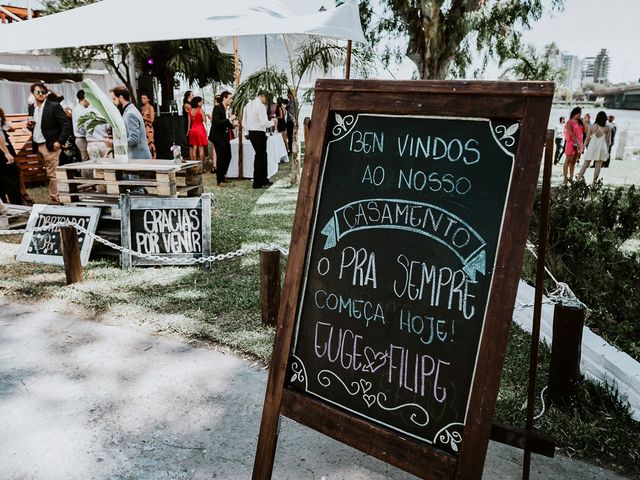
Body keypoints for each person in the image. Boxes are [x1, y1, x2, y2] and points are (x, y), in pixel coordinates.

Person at [27, 82, 72, 204]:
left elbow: (66, 124)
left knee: (53, 174)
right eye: (38, 92)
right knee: (49, 174)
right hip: (38, 145)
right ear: (33, 93)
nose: (41, 94)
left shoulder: (53, 106)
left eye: (43, 92)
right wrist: (29, 126)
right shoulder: (31, 108)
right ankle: (57, 198)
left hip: (51, 145)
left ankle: (56, 200)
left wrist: (59, 141)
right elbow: (34, 127)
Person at [244, 90, 277, 189]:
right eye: (266, 98)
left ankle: (262, 179)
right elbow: (264, 122)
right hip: (259, 133)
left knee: (261, 155)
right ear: (262, 96)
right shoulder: (260, 106)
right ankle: (258, 181)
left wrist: (248, 130)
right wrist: (273, 122)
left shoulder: (248, 105)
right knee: (260, 156)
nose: (266, 101)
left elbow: (244, 122)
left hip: (252, 133)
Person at [110, 85, 151, 160]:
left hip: (139, 158)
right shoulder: (130, 111)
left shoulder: (130, 114)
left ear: (121, 98)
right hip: (137, 157)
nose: (113, 102)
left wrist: (117, 142)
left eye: (114, 99)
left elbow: (134, 139)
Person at [208, 91, 236, 187]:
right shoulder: (217, 108)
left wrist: (232, 125)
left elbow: (225, 122)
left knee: (228, 156)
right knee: (221, 158)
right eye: (230, 98)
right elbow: (216, 122)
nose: (231, 100)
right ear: (224, 98)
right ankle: (220, 180)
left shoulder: (226, 109)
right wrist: (229, 120)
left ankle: (223, 176)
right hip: (218, 137)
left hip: (224, 136)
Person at [576, 111, 611, 185]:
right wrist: (607, 151)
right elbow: (608, 141)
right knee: (598, 166)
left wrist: (583, 147)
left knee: (585, 164)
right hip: (602, 148)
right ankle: (594, 183)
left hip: (592, 147)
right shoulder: (608, 128)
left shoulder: (592, 127)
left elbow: (587, 138)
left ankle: (577, 180)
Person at [562, 107, 583, 183]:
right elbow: (571, 134)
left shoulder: (580, 122)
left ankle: (571, 177)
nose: (580, 114)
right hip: (571, 143)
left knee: (574, 161)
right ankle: (565, 177)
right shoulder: (569, 122)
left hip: (579, 144)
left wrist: (585, 122)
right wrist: (576, 142)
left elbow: (586, 131)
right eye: (579, 113)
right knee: (568, 160)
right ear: (575, 113)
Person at [187, 96, 208, 166]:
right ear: (198, 103)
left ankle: (194, 165)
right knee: (201, 148)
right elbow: (205, 120)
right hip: (200, 129)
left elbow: (189, 123)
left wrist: (188, 131)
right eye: (201, 102)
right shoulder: (200, 110)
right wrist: (206, 116)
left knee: (194, 148)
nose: (202, 103)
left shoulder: (190, 111)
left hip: (193, 129)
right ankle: (201, 166)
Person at [72, 90, 90, 161]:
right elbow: (80, 127)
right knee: (86, 160)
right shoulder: (80, 110)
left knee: (86, 159)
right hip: (82, 138)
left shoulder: (78, 109)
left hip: (81, 138)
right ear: (85, 99)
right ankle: (85, 172)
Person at [140, 93, 156, 159]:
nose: (143, 100)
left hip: (149, 127)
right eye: (142, 98)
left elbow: (152, 119)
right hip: (143, 127)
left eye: (144, 98)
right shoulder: (142, 107)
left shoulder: (150, 107)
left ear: (148, 99)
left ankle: (153, 158)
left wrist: (142, 117)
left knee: (151, 143)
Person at [285, 90, 296, 155]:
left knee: (291, 136)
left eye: (288, 94)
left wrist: (293, 120)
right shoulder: (290, 102)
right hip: (289, 121)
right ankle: (290, 150)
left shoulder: (294, 102)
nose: (287, 95)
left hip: (291, 121)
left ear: (291, 94)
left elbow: (292, 113)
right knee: (289, 136)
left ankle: (291, 150)